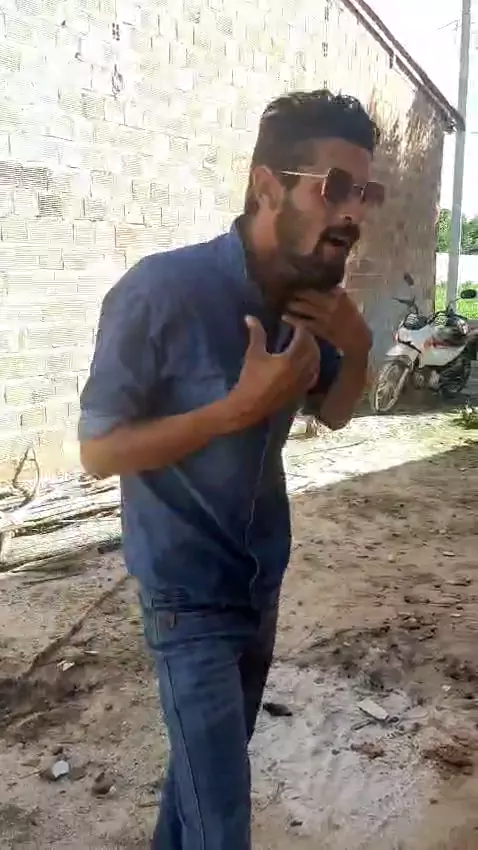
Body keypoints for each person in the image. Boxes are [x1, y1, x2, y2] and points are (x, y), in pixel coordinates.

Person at [78, 89, 383, 850]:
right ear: (266, 186)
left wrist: (358, 346)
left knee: (195, 796)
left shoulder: (312, 302)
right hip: (185, 598)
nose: (353, 211)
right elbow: (97, 450)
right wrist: (235, 411)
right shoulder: (162, 291)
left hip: (258, 584)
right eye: (333, 187)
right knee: (223, 826)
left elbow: (335, 412)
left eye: (365, 192)